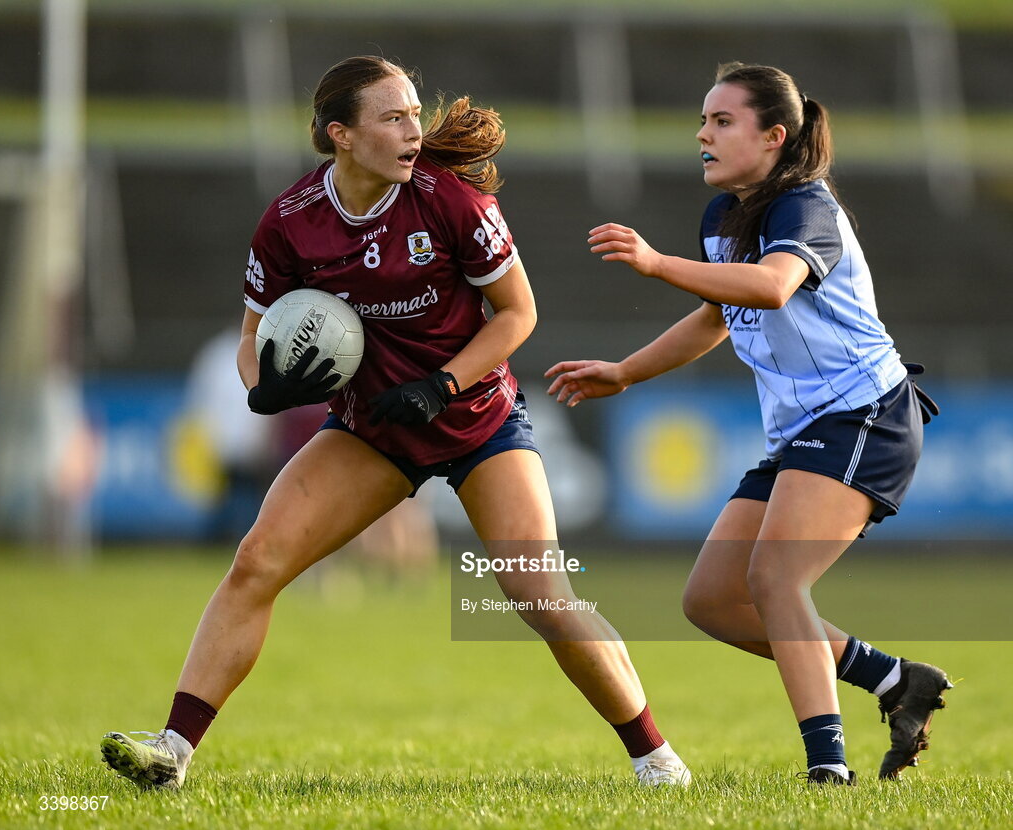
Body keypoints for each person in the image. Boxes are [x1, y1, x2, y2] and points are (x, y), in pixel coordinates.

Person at [99, 56, 689, 790]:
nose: (415, 130)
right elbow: (253, 339)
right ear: (341, 135)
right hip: (371, 429)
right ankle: (172, 752)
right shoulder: (290, 221)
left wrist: (443, 384)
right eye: (394, 118)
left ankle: (656, 758)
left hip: (477, 419)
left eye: (415, 113)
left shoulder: (452, 202)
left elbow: (518, 315)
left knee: (539, 593)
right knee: (256, 563)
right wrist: (262, 390)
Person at [547, 62, 952, 785]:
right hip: (806, 430)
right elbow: (716, 316)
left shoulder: (805, 207)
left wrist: (655, 262)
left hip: (865, 414)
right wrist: (625, 371)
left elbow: (768, 288)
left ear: (774, 137)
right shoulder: (724, 216)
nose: (703, 134)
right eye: (702, 122)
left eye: (722, 121)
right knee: (711, 600)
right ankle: (894, 681)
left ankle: (828, 768)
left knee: (773, 579)